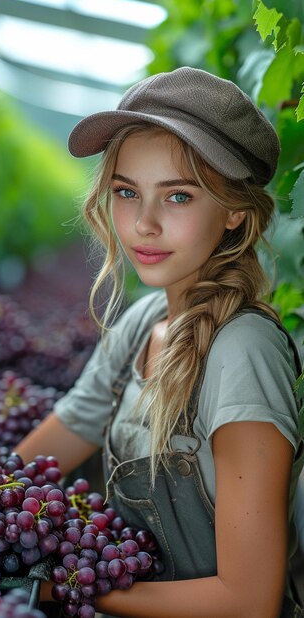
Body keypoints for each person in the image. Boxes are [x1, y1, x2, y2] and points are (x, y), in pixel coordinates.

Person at [15, 67, 304, 618]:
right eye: (127, 192)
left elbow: (249, 602)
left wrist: (67, 587)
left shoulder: (242, 352)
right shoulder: (142, 323)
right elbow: (36, 458)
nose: (143, 223)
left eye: (177, 197)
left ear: (235, 212)